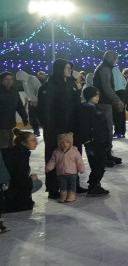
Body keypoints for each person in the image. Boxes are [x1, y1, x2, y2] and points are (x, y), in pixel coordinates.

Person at [37, 59, 81, 198]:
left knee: (71, 156)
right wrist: (50, 127)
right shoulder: (48, 87)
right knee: (54, 157)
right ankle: (53, 188)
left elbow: (76, 105)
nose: (69, 70)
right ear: (59, 69)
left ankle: (73, 186)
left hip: (71, 127)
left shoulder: (71, 85)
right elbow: (44, 110)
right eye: (66, 68)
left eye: (70, 68)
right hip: (54, 129)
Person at [74, 87, 112, 196]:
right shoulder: (84, 110)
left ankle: (95, 184)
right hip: (92, 143)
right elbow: (83, 127)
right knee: (97, 166)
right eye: (95, 95)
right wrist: (87, 142)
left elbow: (104, 126)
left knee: (101, 165)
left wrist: (107, 140)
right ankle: (93, 186)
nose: (98, 97)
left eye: (98, 95)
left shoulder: (98, 108)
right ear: (89, 96)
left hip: (101, 141)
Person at [1, 129, 41, 213]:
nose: (36, 143)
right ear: (23, 143)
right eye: (33, 140)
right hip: (9, 192)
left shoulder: (14, 151)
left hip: (6, 187)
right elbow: (19, 180)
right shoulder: (21, 156)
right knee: (37, 183)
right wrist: (31, 179)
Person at [93, 50, 124, 144]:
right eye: (116, 58)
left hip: (104, 102)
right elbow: (106, 87)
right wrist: (117, 100)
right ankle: (106, 152)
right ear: (111, 58)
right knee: (107, 128)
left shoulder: (105, 68)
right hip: (104, 103)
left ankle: (107, 152)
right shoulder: (105, 69)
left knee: (106, 127)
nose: (117, 61)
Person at [45, 132, 85, 202]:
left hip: (72, 173)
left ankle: (71, 195)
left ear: (71, 143)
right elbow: (52, 161)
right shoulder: (56, 152)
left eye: (67, 142)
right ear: (59, 144)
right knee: (62, 186)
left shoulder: (75, 152)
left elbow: (79, 162)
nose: (65, 144)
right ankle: (63, 195)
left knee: (72, 185)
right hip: (61, 174)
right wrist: (48, 168)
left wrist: (81, 169)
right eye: (62, 143)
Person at [0, 72, 29, 149]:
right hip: (1, 126)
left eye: (11, 79)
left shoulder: (14, 92)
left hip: (11, 124)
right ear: (1, 80)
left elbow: (19, 106)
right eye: (6, 79)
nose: (9, 81)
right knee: (4, 146)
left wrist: (24, 117)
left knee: (11, 145)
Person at [15, 67, 41, 136]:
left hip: (38, 102)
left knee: (40, 117)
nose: (20, 81)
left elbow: (39, 89)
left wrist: (37, 100)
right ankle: (36, 130)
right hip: (31, 102)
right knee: (32, 117)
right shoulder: (24, 82)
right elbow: (28, 92)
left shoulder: (33, 79)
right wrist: (27, 100)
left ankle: (43, 129)